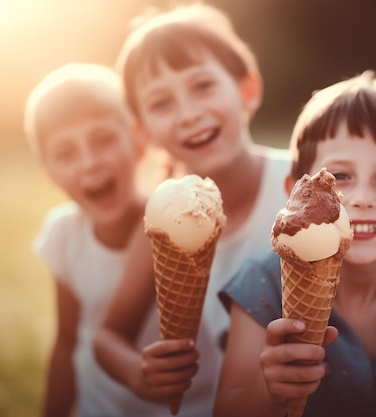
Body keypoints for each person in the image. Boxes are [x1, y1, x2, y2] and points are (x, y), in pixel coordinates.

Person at [214, 69, 376, 417]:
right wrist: (269, 391)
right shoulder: (262, 283)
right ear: (296, 192)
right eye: (339, 176)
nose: (362, 198)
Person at [92, 3, 290, 416]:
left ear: (247, 90)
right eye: (162, 103)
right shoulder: (162, 221)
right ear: (144, 132)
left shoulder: (299, 184)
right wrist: (136, 372)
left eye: (202, 86)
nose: (188, 113)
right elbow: (108, 336)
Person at [24, 63, 156, 417]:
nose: (89, 163)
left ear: (138, 140)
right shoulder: (64, 235)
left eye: (104, 140)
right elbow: (67, 341)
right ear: (49, 172)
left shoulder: (176, 223)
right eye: (66, 153)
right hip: (99, 407)